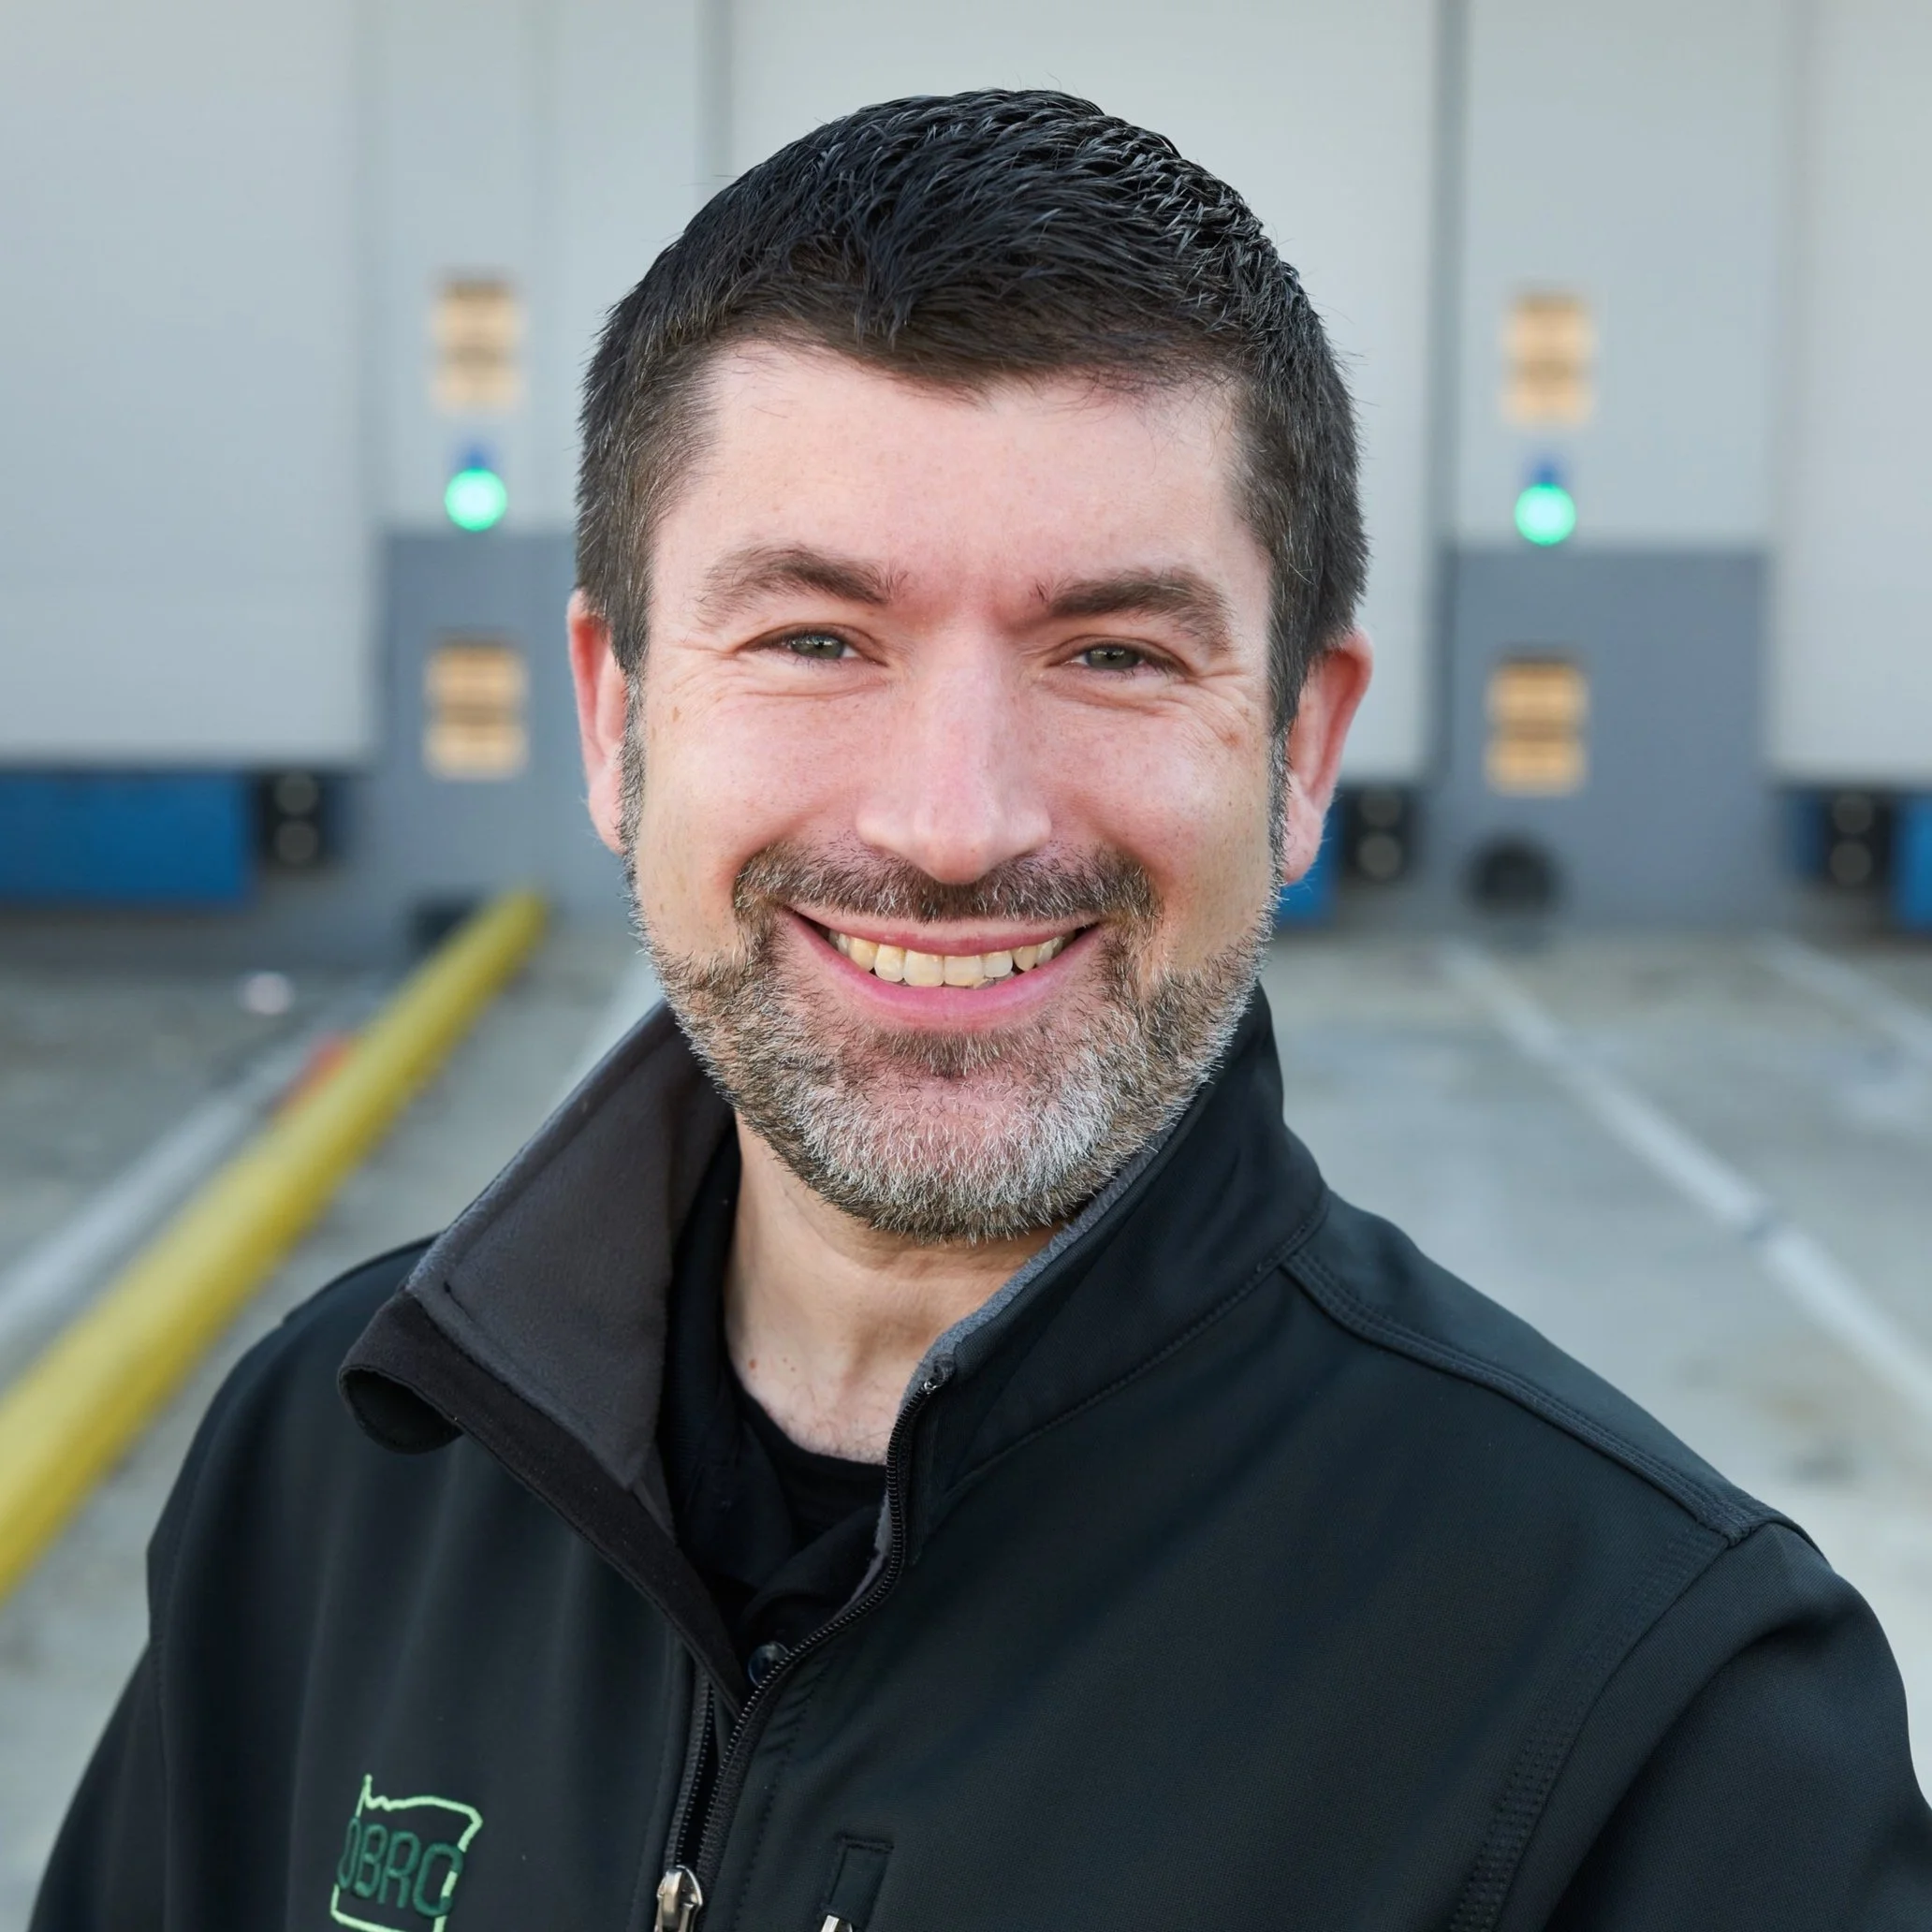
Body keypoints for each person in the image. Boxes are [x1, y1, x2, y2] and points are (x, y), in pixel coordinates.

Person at [35, 90, 1932, 1932]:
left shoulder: (1660, 1721)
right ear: (616, 718)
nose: (954, 824)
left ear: (1299, 751)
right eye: (815, 640)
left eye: (1112, 652)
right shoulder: (335, 1472)